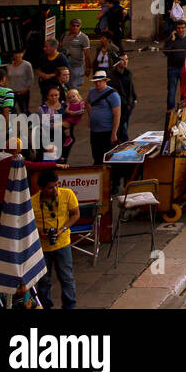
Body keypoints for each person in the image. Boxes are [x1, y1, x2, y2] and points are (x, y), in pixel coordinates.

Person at [31, 170, 79, 310]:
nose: (55, 189)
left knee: (67, 278)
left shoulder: (67, 194)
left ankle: (70, 306)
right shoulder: (33, 202)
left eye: (57, 185)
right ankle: (44, 306)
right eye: (51, 187)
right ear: (42, 188)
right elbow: (27, 224)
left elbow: (75, 214)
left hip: (63, 243)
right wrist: (39, 232)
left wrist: (62, 229)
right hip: (42, 247)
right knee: (44, 280)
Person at [84, 70, 121, 164]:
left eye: (100, 81)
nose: (97, 84)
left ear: (105, 81)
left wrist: (114, 133)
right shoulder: (92, 92)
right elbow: (86, 103)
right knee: (96, 154)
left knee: (106, 156)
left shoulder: (113, 95)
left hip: (106, 131)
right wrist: (90, 116)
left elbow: (117, 115)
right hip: (94, 130)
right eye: (95, 82)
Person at [161, 20, 186, 110]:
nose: (180, 30)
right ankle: (170, 110)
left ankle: (183, 108)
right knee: (172, 90)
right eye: (178, 28)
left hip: (185, 69)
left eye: (182, 28)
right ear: (175, 29)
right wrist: (172, 40)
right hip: (172, 68)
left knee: (184, 90)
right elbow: (165, 52)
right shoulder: (171, 38)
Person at [108, 53, 138, 143]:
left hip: (128, 105)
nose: (125, 62)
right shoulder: (111, 76)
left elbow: (131, 87)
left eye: (127, 59)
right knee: (123, 130)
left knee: (125, 126)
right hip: (118, 105)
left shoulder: (128, 73)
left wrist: (134, 98)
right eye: (122, 60)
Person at [36, 39, 69, 104]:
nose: (44, 48)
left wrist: (50, 75)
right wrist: (42, 74)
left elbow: (65, 72)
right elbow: (38, 69)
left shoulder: (61, 58)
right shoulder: (43, 57)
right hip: (44, 86)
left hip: (57, 86)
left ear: (53, 48)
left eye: (46, 47)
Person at [61, 20, 90, 91]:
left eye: (77, 26)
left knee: (74, 88)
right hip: (65, 67)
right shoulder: (64, 35)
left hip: (77, 67)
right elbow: (61, 48)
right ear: (70, 26)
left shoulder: (84, 38)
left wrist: (88, 68)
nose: (75, 27)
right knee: (65, 86)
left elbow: (87, 54)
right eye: (73, 25)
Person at [5, 50, 35, 116]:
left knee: (24, 110)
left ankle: (28, 124)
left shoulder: (27, 65)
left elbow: (30, 78)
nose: (17, 55)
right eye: (15, 53)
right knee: (11, 110)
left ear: (23, 54)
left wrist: (26, 89)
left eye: (19, 53)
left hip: (23, 92)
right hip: (12, 92)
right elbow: (8, 78)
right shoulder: (9, 65)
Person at [61, 89, 86, 162]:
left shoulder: (80, 102)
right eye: (69, 97)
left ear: (78, 96)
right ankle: (68, 137)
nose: (72, 98)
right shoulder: (69, 103)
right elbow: (66, 110)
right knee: (65, 127)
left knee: (65, 124)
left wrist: (74, 113)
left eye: (73, 96)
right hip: (70, 118)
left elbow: (82, 111)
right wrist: (69, 111)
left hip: (75, 118)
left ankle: (69, 138)